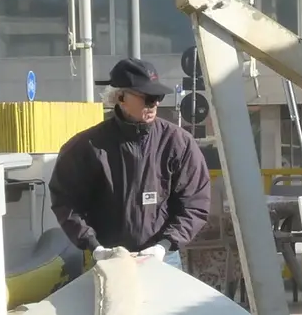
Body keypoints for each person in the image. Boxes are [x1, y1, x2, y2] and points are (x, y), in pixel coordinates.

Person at [48, 56, 211, 256]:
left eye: (158, 97)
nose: (154, 104)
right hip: (108, 258)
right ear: (121, 98)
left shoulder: (179, 143)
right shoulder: (86, 147)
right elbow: (66, 201)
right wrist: (94, 246)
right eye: (147, 97)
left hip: (162, 259)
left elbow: (195, 203)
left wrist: (165, 246)